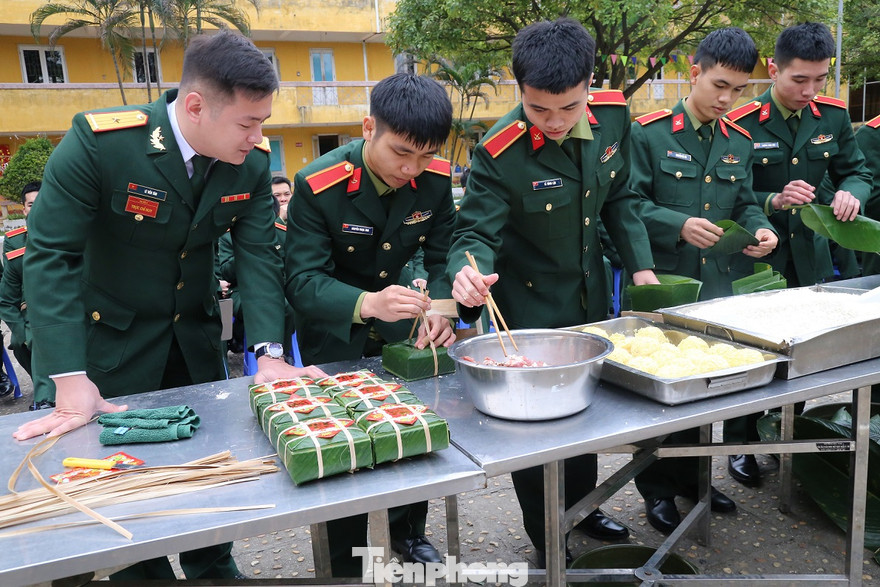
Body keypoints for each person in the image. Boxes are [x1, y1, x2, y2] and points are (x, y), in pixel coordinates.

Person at [13, 31, 326, 580]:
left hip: (193, 345)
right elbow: (50, 256)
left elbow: (256, 259)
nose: (261, 137)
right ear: (198, 106)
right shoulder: (102, 143)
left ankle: (215, 567)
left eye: (263, 122)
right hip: (105, 351)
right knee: (124, 497)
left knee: (209, 470)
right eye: (248, 123)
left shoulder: (248, 163)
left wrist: (270, 355)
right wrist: (66, 373)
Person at [447, 18, 659, 564]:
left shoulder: (612, 115)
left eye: (568, 108)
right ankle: (547, 533)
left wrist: (641, 270)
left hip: (590, 302)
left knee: (583, 416)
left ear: (589, 84)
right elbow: (473, 232)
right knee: (537, 433)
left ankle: (584, 509)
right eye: (539, 110)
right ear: (519, 89)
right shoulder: (500, 149)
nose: (556, 122)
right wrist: (468, 272)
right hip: (529, 311)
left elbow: (621, 199)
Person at [285, 73, 456, 576]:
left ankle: (409, 532)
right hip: (337, 331)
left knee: (410, 438)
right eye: (401, 153)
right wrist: (367, 302)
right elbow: (302, 280)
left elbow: (443, 257)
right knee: (342, 452)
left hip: (406, 329)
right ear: (368, 128)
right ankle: (345, 559)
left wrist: (442, 314)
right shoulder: (319, 184)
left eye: (425, 157)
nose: (411, 169)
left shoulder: (435, 180)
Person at [630, 27, 778, 534]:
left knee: (709, 388)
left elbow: (747, 201)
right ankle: (657, 490)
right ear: (693, 71)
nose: (727, 98)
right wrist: (678, 225)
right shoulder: (648, 133)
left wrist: (762, 227)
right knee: (662, 389)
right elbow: (626, 208)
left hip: (716, 290)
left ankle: (695, 479)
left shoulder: (738, 139)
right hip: (664, 284)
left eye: (738, 89)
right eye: (719, 85)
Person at [725, 21, 872, 485]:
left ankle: (783, 430)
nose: (810, 90)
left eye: (820, 79)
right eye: (798, 80)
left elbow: (858, 171)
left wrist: (852, 192)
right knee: (751, 352)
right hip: (758, 256)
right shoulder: (742, 119)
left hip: (808, 256)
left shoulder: (830, 116)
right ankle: (739, 442)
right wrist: (773, 200)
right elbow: (731, 192)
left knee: (803, 351)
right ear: (773, 70)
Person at [0, 181, 54, 409]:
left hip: (69, 308)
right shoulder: (15, 243)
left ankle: (49, 396)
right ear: (24, 209)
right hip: (31, 309)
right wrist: (22, 333)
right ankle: (44, 395)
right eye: (31, 205)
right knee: (21, 344)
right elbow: (8, 294)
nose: (37, 208)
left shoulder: (72, 235)